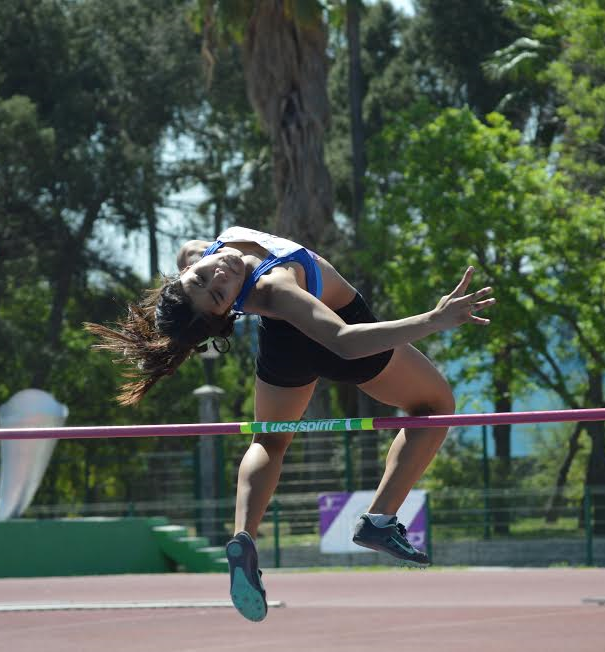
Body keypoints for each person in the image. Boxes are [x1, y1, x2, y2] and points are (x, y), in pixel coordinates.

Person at [86, 225, 495, 622]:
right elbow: (344, 339)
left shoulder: (201, 254)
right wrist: (433, 320)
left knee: (269, 440)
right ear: (228, 309)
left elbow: (191, 256)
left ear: (186, 270)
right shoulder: (275, 288)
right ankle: (380, 520)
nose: (220, 274)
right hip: (338, 332)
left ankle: (243, 537)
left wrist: (190, 277)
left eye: (201, 276)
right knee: (435, 404)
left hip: (282, 346)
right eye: (218, 293)